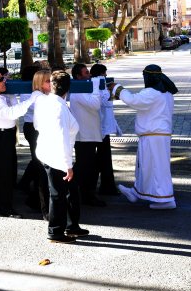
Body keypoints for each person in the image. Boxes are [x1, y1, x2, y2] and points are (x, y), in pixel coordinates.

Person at [112, 64, 178, 210]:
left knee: (157, 168)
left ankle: (165, 199)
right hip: (155, 135)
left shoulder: (152, 93)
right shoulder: (166, 93)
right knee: (145, 167)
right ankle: (137, 192)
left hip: (154, 135)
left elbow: (133, 100)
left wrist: (117, 89)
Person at [34, 70, 87, 243]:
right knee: (57, 194)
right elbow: (62, 138)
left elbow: (37, 125)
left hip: (49, 151)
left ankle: (71, 226)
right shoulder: (59, 108)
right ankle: (55, 231)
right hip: (56, 155)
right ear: (67, 89)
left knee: (69, 192)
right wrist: (68, 165)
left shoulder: (47, 102)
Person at [0, 69, 36, 218]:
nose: (4, 82)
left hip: (6, 134)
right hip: (0, 136)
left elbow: (11, 108)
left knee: (5, 171)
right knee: (4, 173)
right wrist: (31, 99)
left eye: (3, 79)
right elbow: (11, 113)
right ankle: (5, 208)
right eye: (0, 80)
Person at [68, 63, 105, 207]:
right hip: (84, 136)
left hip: (90, 134)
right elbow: (96, 105)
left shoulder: (85, 89)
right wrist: (96, 86)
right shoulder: (78, 92)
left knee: (89, 167)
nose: (89, 75)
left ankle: (86, 194)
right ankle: (77, 194)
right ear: (78, 77)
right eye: (86, 73)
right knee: (83, 168)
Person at [17, 67, 51, 219]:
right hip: (33, 128)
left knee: (39, 165)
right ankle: (38, 202)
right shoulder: (32, 95)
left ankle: (32, 195)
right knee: (40, 167)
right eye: (48, 81)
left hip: (39, 128)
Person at [90, 64, 121, 195]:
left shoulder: (100, 85)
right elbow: (105, 103)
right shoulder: (95, 86)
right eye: (104, 74)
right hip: (99, 127)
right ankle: (103, 186)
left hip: (103, 127)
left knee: (103, 158)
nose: (106, 76)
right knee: (102, 158)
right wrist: (110, 91)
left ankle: (106, 185)